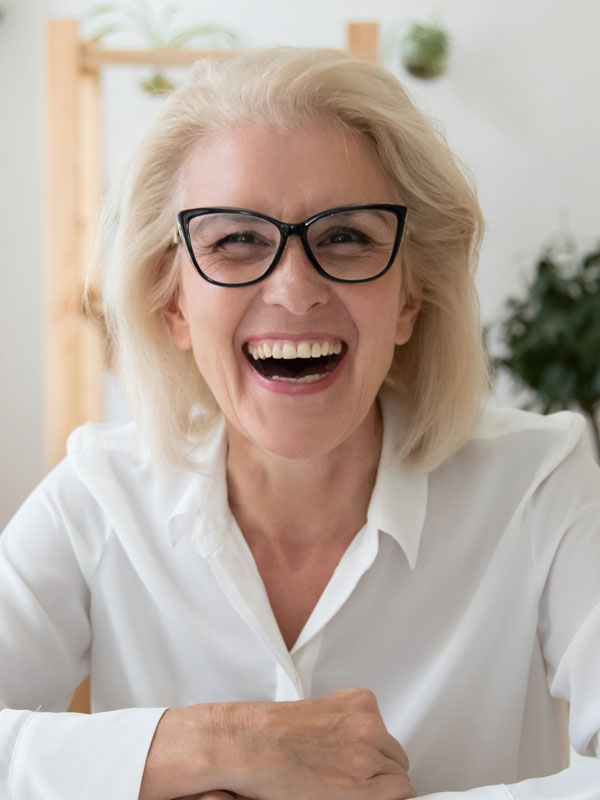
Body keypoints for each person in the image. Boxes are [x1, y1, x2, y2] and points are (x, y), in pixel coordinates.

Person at [1, 46, 599, 800]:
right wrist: (213, 742)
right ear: (174, 303)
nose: (294, 287)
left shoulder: (542, 482)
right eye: (236, 239)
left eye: (346, 236)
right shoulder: (98, 496)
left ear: (410, 299)